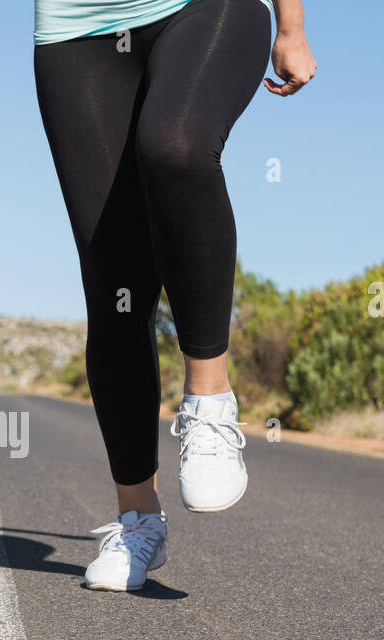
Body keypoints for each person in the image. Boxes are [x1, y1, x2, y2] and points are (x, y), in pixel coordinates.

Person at [34, 0, 315, 590]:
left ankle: (209, 403)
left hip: (206, 9)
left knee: (176, 146)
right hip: (75, 28)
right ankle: (139, 520)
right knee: (115, 283)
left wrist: (291, 25)